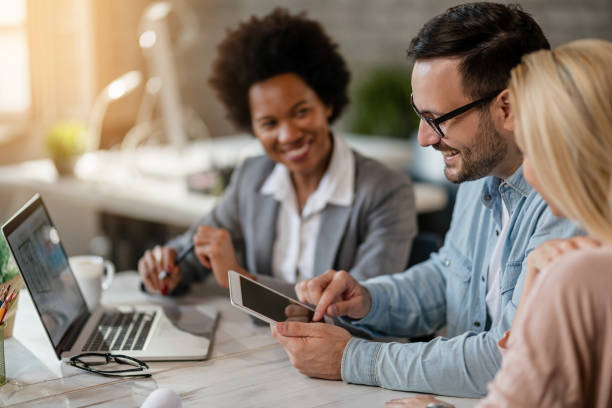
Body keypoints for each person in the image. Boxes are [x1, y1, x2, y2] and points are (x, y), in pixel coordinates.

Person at [271, 2, 582, 397]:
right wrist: (368, 300)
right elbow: (449, 277)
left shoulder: (570, 202)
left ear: (507, 107)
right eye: (420, 114)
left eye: (439, 119)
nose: (424, 137)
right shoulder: (480, 170)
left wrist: (354, 359)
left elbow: (515, 358)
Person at [386, 38, 612, 408]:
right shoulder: (482, 185)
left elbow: (511, 375)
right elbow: (450, 272)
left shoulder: (579, 271)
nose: (530, 172)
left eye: (533, 146)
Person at [137, 8, 416, 297]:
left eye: (301, 112)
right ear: (251, 127)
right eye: (269, 123)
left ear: (327, 103)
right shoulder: (252, 178)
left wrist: (240, 281)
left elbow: (365, 309)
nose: (288, 135)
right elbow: (191, 254)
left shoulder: (387, 191)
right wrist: (164, 267)